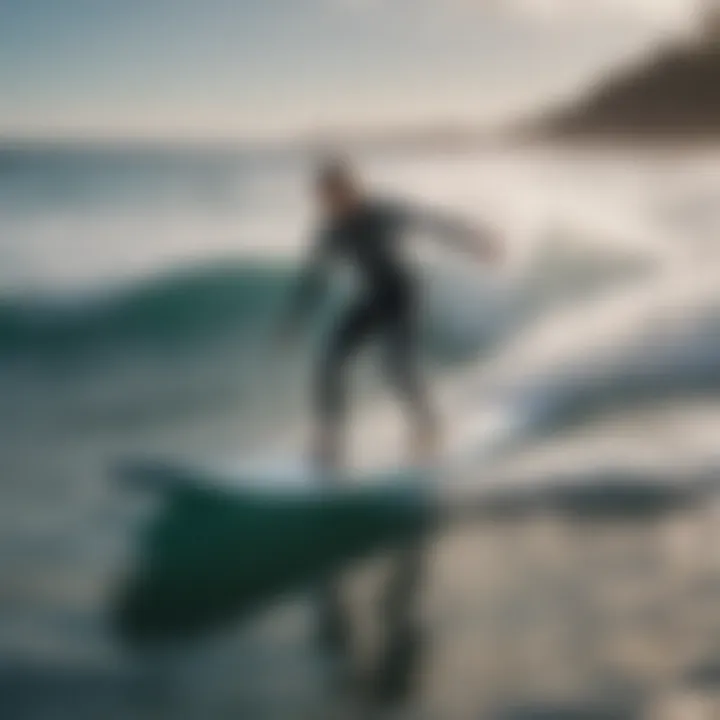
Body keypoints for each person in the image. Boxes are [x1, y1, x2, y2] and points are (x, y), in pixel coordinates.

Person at [281, 157, 502, 471]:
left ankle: (428, 426)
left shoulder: (382, 212)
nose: (329, 202)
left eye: (335, 193)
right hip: (373, 296)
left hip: (403, 292)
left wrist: (475, 241)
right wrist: (292, 322)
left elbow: (431, 223)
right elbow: (314, 280)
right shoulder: (331, 231)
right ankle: (330, 441)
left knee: (396, 365)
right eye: (324, 197)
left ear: (350, 189)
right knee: (330, 360)